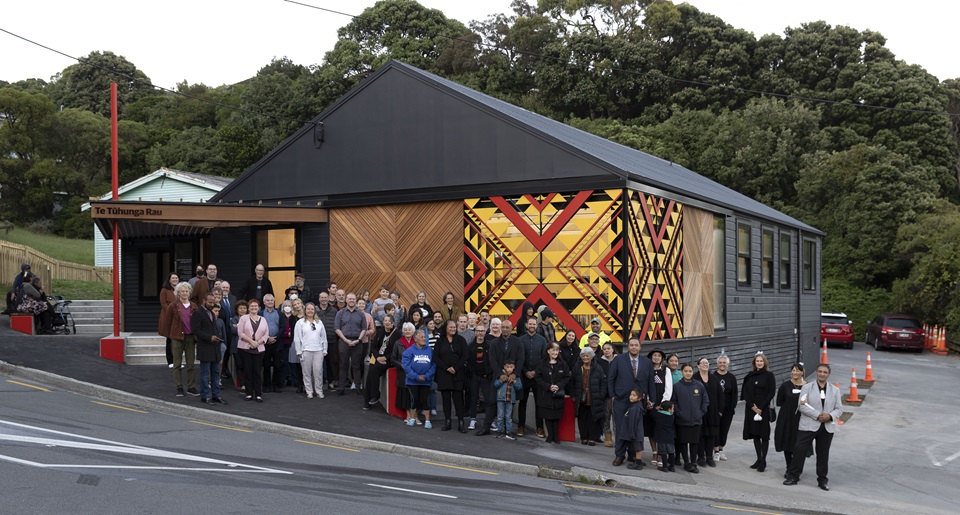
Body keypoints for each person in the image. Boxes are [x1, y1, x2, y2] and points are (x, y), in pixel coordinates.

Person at [784, 364, 843, 491]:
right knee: (799, 450)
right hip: (809, 424)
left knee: (823, 454)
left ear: (828, 374)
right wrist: (818, 415)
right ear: (817, 373)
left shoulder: (835, 390)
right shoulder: (807, 387)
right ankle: (793, 476)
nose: (822, 374)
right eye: (820, 371)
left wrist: (829, 416)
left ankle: (822, 480)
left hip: (826, 426)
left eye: (825, 372)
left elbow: (839, 409)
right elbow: (802, 406)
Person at [608, 338, 657, 466]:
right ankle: (619, 455)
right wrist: (613, 395)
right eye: (631, 345)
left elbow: (651, 382)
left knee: (635, 428)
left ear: (640, 347)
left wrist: (652, 399)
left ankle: (632, 454)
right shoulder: (618, 360)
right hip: (621, 399)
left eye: (636, 345)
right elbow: (611, 378)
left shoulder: (647, 362)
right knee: (621, 428)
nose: (634, 347)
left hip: (639, 402)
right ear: (628, 347)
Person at [741, 352, 777, 472]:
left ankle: (763, 460)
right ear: (754, 363)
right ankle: (758, 458)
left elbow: (771, 392)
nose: (759, 363)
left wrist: (761, 407)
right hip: (752, 409)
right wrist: (752, 406)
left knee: (764, 435)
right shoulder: (750, 376)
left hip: (764, 409)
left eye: (761, 361)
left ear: (765, 363)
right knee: (755, 434)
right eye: (757, 361)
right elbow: (745, 392)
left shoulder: (769, 376)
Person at [191, 292, 226, 405]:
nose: (211, 304)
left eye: (213, 302)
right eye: (210, 302)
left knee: (216, 373)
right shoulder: (197, 313)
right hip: (205, 347)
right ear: (204, 301)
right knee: (205, 374)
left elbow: (214, 328)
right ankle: (205, 396)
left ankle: (216, 396)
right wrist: (209, 338)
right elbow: (196, 330)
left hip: (215, 347)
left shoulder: (211, 312)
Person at [433, 319, 468, 432]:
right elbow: (436, 357)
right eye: (451, 327)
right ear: (446, 328)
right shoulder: (440, 341)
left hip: (458, 373)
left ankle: (461, 422)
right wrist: (446, 368)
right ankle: (447, 421)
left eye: (454, 327)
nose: (453, 329)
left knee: (458, 399)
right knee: (446, 399)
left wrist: (455, 368)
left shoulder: (461, 340)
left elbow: (465, 356)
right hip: (444, 374)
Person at [164, 282, 198, 397]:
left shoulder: (194, 306)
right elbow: (167, 322)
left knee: (190, 364)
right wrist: (171, 336)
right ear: (178, 293)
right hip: (177, 338)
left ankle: (191, 387)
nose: (184, 293)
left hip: (190, 338)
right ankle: (179, 387)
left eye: (186, 291)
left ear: (189, 292)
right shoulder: (173, 305)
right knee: (177, 364)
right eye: (182, 291)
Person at [674, 363, 708, 473]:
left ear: (692, 372)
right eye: (686, 371)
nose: (688, 373)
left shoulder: (699, 385)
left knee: (694, 443)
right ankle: (687, 463)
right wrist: (680, 413)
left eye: (690, 371)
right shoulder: (677, 387)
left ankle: (694, 462)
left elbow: (705, 400)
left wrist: (701, 412)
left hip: (696, 420)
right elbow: (674, 402)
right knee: (683, 442)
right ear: (682, 372)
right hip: (682, 420)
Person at [570, 347, 607, 446]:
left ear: (591, 357)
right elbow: (571, 381)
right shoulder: (577, 367)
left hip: (594, 397)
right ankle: (584, 437)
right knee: (582, 418)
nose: (585, 358)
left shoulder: (597, 368)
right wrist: (573, 395)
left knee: (593, 418)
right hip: (580, 397)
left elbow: (603, 382)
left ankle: (592, 438)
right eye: (583, 356)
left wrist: (601, 395)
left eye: (587, 356)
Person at [535, 342, 571, 444]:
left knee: (556, 416)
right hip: (545, 394)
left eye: (557, 350)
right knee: (548, 416)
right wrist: (548, 386)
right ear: (548, 351)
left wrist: (558, 386)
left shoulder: (563, 364)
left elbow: (567, 376)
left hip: (558, 394)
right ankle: (550, 435)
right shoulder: (541, 363)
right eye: (553, 350)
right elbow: (538, 377)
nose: (555, 352)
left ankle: (556, 436)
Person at [776, 363, 808, 475]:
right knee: (787, 443)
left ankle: (796, 468)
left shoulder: (807, 386)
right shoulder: (785, 386)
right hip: (786, 418)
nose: (795, 372)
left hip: (802, 418)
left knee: (799, 445)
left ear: (802, 372)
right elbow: (779, 401)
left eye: (798, 370)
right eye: (793, 370)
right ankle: (789, 467)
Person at [518, 317, 547, 437]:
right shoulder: (520, 340)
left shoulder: (542, 340)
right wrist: (525, 372)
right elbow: (519, 358)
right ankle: (520, 426)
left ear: (536, 325)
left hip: (537, 377)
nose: (532, 325)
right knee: (522, 402)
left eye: (534, 324)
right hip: (524, 376)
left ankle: (539, 427)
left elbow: (544, 358)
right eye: (530, 323)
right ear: (527, 325)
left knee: (538, 403)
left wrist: (535, 372)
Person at [364, 313, 400, 409]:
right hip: (376, 358)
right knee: (369, 376)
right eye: (385, 321)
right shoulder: (380, 331)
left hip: (388, 360)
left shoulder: (397, 334)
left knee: (374, 370)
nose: (387, 323)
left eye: (389, 321)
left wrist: (385, 358)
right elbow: (373, 346)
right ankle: (367, 401)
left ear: (393, 322)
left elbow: (395, 350)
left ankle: (376, 395)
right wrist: (377, 357)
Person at [645, 348, 673, 464]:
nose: (656, 357)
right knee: (651, 430)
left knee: (660, 431)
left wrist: (662, 404)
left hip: (661, 405)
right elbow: (644, 385)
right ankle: (655, 453)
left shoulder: (666, 370)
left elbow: (668, 388)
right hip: (650, 404)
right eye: (654, 355)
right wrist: (648, 401)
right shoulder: (647, 369)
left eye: (659, 356)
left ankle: (662, 454)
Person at [402, 330, 436, 428]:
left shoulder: (430, 350)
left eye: (425, 337)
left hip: (426, 381)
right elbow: (406, 366)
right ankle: (412, 419)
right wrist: (416, 377)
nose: (424, 339)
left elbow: (433, 365)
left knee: (425, 400)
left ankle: (427, 421)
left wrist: (425, 376)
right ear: (415, 339)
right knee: (414, 400)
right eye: (421, 337)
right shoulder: (408, 351)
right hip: (412, 382)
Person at [693, 357, 722, 468]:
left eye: (707, 363)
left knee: (710, 435)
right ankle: (701, 457)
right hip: (699, 411)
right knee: (700, 435)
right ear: (698, 365)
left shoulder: (714, 378)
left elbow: (720, 395)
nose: (705, 364)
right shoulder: (695, 378)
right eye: (703, 363)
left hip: (713, 412)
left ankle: (709, 457)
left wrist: (720, 411)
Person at [294, 302, 328, 399]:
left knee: (318, 372)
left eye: (312, 309)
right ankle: (309, 391)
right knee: (306, 372)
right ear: (305, 310)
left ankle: (319, 391)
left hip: (318, 350)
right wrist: (299, 351)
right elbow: (297, 338)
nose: (310, 311)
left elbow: (323, 337)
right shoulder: (300, 323)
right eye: (308, 309)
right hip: (306, 350)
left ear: (314, 311)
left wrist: (324, 349)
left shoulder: (319, 322)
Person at [237, 298, 268, 402]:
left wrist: (257, 343)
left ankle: (258, 394)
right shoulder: (243, 318)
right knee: (248, 371)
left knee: (257, 372)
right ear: (248, 308)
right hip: (245, 348)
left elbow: (266, 334)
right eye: (251, 306)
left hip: (259, 349)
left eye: (256, 306)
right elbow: (240, 333)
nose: (254, 308)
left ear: (259, 308)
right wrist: (251, 342)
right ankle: (249, 393)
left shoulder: (263, 319)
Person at [713, 354, 738, 462]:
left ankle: (721, 448)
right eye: (720, 362)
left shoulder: (731, 377)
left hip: (728, 409)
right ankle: (716, 451)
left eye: (724, 363)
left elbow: (735, 394)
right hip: (715, 409)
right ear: (717, 364)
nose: (722, 364)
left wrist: (732, 407)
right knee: (716, 430)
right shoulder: (713, 376)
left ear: (728, 364)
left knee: (724, 430)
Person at [465, 324, 489, 431]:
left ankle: (489, 420)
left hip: (486, 376)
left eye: (482, 331)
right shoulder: (470, 346)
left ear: (485, 332)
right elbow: (468, 361)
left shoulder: (489, 345)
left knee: (488, 399)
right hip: (474, 376)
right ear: (475, 332)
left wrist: (489, 372)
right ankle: (473, 419)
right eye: (478, 331)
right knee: (474, 398)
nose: (480, 333)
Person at [391, 323, 418, 417]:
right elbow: (393, 358)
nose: (407, 331)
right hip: (403, 372)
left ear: (413, 331)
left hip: (415, 371)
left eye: (409, 330)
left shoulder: (417, 342)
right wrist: (401, 365)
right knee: (405, 393)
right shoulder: (398, 342)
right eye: (405, 330)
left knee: (415, 392)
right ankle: (408, 415)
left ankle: (415, 415)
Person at [315, 292, 339, 390]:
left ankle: (330, 381)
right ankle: (319, 383)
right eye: (322, 297)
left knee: (330, 362)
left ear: (328, 298)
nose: (324, 299)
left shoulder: (334, 311)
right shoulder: (315, 310)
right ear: (319, 299)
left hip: (331, 340)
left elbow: (337, 324)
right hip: (317, 341)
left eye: (325, 297)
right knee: (318, 363)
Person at [493, 359, 522, 440]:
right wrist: (501, 380)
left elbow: (519, 387)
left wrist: (515, 381)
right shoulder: (501, 375)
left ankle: (509, 432)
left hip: (510, 399)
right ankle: (500, 431)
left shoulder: (516, 377)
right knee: (500, 416)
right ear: (504, 367)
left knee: (508, 417)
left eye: (511, 367)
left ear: (514, 367)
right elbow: (495, 384)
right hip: (500, 399)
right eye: (507, 367)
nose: (509, 369)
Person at [260, 294, 283, 393]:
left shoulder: (279, 313)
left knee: (278, 365)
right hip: (265, 342)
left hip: (277, 342)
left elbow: (282, 327)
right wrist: (267, 338)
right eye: (268, 300)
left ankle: (276, 385)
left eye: (272, 300)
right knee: (266, 365)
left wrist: (276, 338)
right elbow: (259, 328)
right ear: (264, 302)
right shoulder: (260, 313)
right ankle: (267, 385)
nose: (270, 302)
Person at [621, 389, 647, 470]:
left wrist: (632, 433)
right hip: (636, 432)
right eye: (631, 395)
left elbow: (633, 421)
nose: (631, 397)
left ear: (639, 398)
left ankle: (638, 463)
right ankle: (638, 461)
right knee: (637, 447)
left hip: (636, 432)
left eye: (634, 395)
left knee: (638, 448)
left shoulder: (635, 408)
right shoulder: (633, 406)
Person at [159, 272, 179, 369]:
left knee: (177, 340)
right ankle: (170, 361)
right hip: (168, 317)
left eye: (176, 278)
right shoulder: (164, 290)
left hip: (179, 318)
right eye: (173, 278)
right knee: (170, 339)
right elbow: (163, 304)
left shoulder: (180, 290)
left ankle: (177, 361)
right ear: (169, 280)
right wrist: (172, 312)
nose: (175, 279)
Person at [218, 281, 237, 380]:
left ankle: (226, 369)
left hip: (232, 329)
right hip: (222, 329)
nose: (225, 289)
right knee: (223, 351)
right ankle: (222, 371)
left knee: (230, 350)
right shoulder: (218, 299)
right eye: (223, 287)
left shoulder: (233, 298)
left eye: (227, 288)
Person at [653, 401, 677, 472]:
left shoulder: (658, 415)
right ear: (669, 409)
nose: (673, 410)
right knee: (671, 452)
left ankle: (665, 466)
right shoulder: (672, 417)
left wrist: (656, 408)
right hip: (669, 436)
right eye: (672, 408)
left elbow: (652, 414)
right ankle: (672, 466)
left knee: (663, 452)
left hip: (661, 436)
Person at [228, 300, 248, 388]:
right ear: (237, 309)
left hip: (248, 346)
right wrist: (244, 328)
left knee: (247, 365)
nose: (242, 310)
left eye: (244, 308)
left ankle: (248, 383)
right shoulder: (233, 319)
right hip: (236, 346)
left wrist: (239, 326)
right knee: (239, 365)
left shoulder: (250, 318)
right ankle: (242, 384)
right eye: (240, 308)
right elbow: (234, 331)